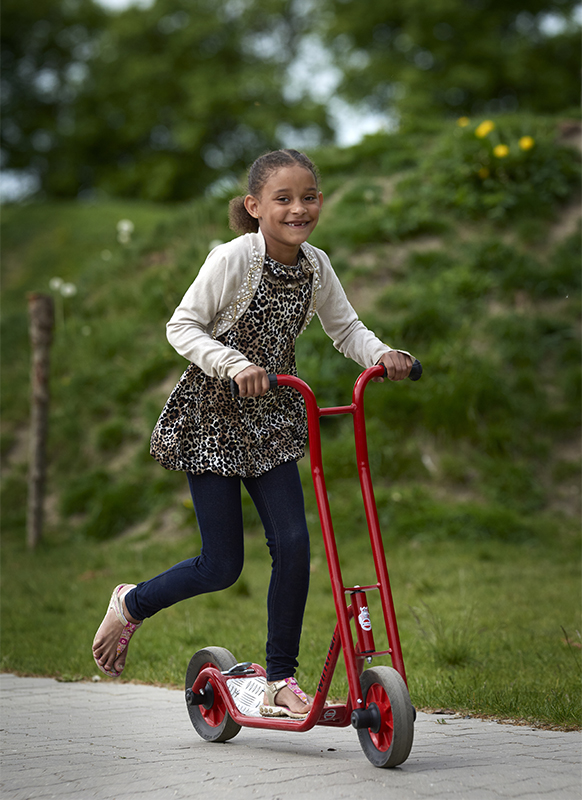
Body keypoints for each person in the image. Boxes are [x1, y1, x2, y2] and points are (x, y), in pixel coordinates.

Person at [92, 149, 413, 718]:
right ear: (255, 206)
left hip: (270, 420)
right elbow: (181, 326)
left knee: (293, 546)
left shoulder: (315, 264)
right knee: (222, 565)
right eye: (283, 199)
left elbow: (346, 329)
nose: (299, 208)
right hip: (212, 417)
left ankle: (279, 681)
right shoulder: (233, 258)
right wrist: (234, 364)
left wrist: (383, 355)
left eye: (309, 196)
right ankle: (131, 602)